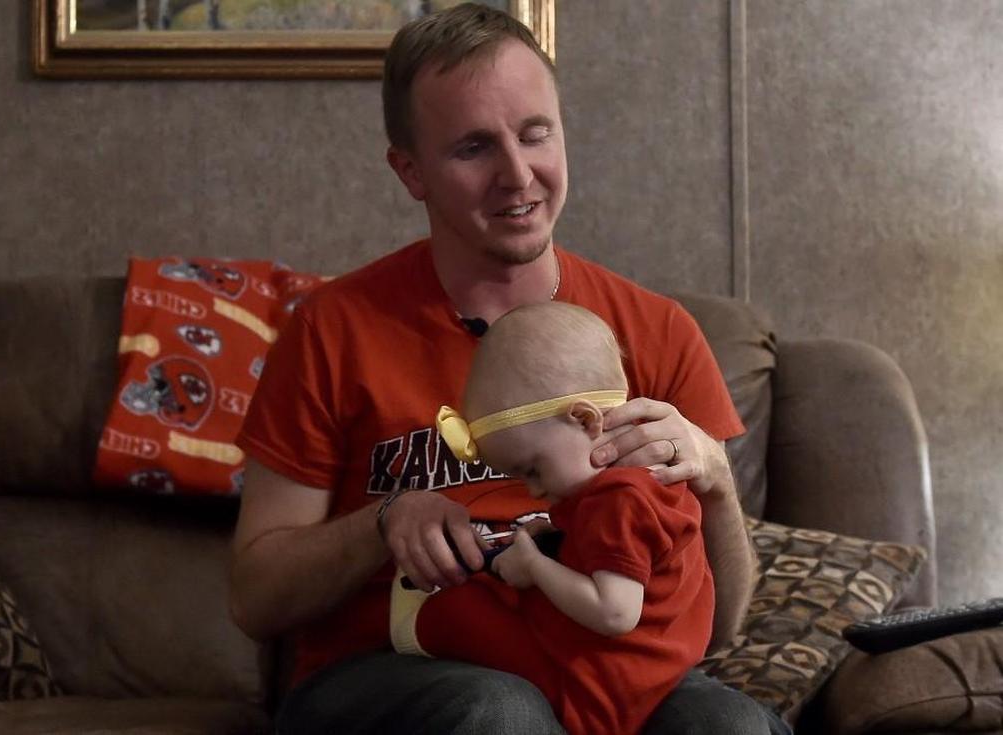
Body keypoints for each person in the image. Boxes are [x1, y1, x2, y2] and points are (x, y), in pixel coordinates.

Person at [230, 4, 790, 733]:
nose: (517, 173)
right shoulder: (331, 331)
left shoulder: (659, 331)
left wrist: (714, 482)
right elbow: (255, 597)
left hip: (603, 659)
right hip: (393, 670)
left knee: (730, 727)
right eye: (473, 148)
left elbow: (721, 627)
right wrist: (385, 522)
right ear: (411, 171)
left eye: (536, 134)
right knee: (503, 712)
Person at [389, 301, 715, 735]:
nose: (535, 491)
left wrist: (536, 567)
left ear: (584, 419)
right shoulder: (644, 481)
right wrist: (556, 538)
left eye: (533, 470)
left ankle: (415, 628)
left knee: (459, 610)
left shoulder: (619, 499)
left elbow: (616, 613)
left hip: (594, 682)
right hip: (648, 663)